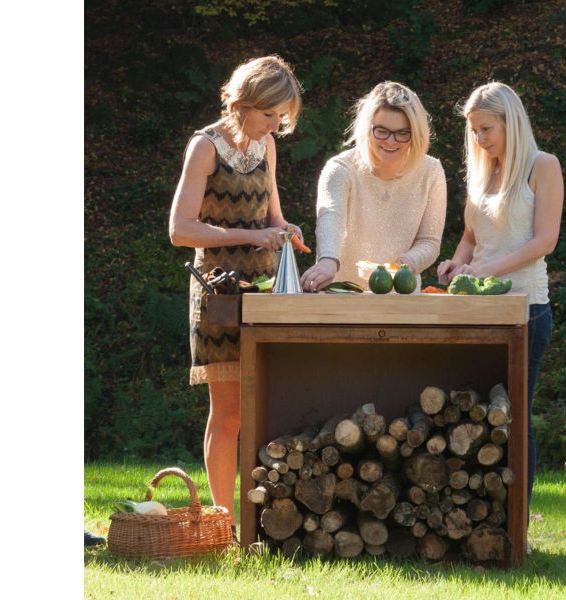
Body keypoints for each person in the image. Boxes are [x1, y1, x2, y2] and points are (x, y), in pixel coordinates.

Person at [168, 55, 303, 532]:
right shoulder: (204, 147)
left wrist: (287, 230)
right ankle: (221, 523)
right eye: (270, 114)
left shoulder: (266, 146)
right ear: (244, 102)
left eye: (281, 117)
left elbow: (271, 216)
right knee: (227, 414)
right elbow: (180, 230)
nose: (276, 124)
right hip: (219, 293)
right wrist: (243, 237)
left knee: (264, 408)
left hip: (266, 289)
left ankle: (261, 520)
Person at [437, 82, 564, 520]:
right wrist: (456, 264)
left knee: (514, 418)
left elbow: (545, 240)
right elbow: (472, 238)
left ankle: (516, 521)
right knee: (472, 415)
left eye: (486, 128)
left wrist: (484, 273)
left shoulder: (542, 166)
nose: (480, 139)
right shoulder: (482, 171)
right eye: (473, 131)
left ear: (511, 122)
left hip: (525, 310)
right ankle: (475, 516)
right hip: (477, 307)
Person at [299, 81, 447, 292]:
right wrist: (328, 260)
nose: (390, 141)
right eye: (381, 131)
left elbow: (429, 241)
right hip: (343, 293)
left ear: (415, 135)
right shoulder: (340, 169)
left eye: (402, 133)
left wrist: (407, 262)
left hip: (402, 298)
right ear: (367, 128)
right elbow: (331, 218)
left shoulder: (431, 171)